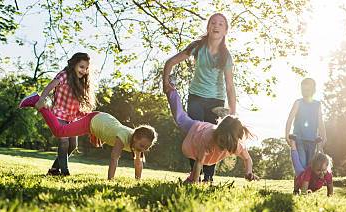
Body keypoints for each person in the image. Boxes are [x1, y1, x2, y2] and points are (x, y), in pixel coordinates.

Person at [162, 13, 236, 182]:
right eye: (213, 23)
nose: (216, 26)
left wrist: (233, 114)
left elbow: (230, 87)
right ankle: (195, 173)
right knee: (194, 133)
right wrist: (165, 82)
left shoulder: (226, 56)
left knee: (214, 137)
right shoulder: (197, 47)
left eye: (221, 24)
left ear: (225, 31)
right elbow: (170, 62)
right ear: (208, 27)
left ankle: (208, 177)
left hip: (216, 102)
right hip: (196, 97)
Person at [19, 94, 157, 180]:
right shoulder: (123, 136)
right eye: (142, 146)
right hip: (92, 121)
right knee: (59, 132)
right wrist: (110, 180)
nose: (143, 149)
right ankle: (40, 103)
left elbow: (138, 163)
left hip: (102, 122)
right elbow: (114, 158)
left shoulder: (137, 145)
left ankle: (55, 170)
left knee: (72, 144)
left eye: (147, 147)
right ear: (136, 137)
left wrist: (137, 181)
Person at [165, 88, 257, 183]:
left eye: (224, 142)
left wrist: (248, 172)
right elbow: (199, 161)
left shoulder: (237, 146)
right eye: (221, 140)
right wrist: (195, 183)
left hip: (211, 142)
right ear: (218, 132)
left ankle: (224, 115)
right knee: (180, 118)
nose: (221, 144)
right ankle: (171, 89)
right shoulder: (209, 137)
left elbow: (247, 159)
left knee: (207, 160)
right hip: (196, 129)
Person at [34, 52, 95, 176]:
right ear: (73, 65)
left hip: (71, 118)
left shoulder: (81, 83)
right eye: (81, 67)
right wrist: (41, 99)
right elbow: (49, 86)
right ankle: (65, 172)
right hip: (59, 115)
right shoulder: (64, 75)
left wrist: (83, 114)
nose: (84, 70)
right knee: (64, 142)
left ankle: (54, 169)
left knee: (73, 145)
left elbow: (76, 103)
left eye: (86, 68)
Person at [285, 78, 327, 168]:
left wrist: (324, 136)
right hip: (299, 139)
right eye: (303, 90)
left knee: (310, 167)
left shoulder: (317, 104)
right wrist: (287, 135)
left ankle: (307, 182)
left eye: (307, 90)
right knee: (301, 164)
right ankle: (299, 181)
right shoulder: (298, 103)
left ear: (313, 90)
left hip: (312, 140)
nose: (304, 92)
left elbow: (320, 122)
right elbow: (290, 119)